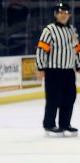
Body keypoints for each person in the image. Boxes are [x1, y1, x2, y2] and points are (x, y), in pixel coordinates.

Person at [36, 2, 80, 136]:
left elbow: (76, 49)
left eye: (66, 13)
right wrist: (40, 67)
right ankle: (49, 125)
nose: (64, 15)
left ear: (69, 15)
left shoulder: (71, 30)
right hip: (53, 71)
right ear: (56, 14)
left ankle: (65, 124)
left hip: (69, 71)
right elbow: (42, 49)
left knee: (69, 98)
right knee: (53, 98)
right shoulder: (49, 30)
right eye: (61, 12)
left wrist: (78, 65)